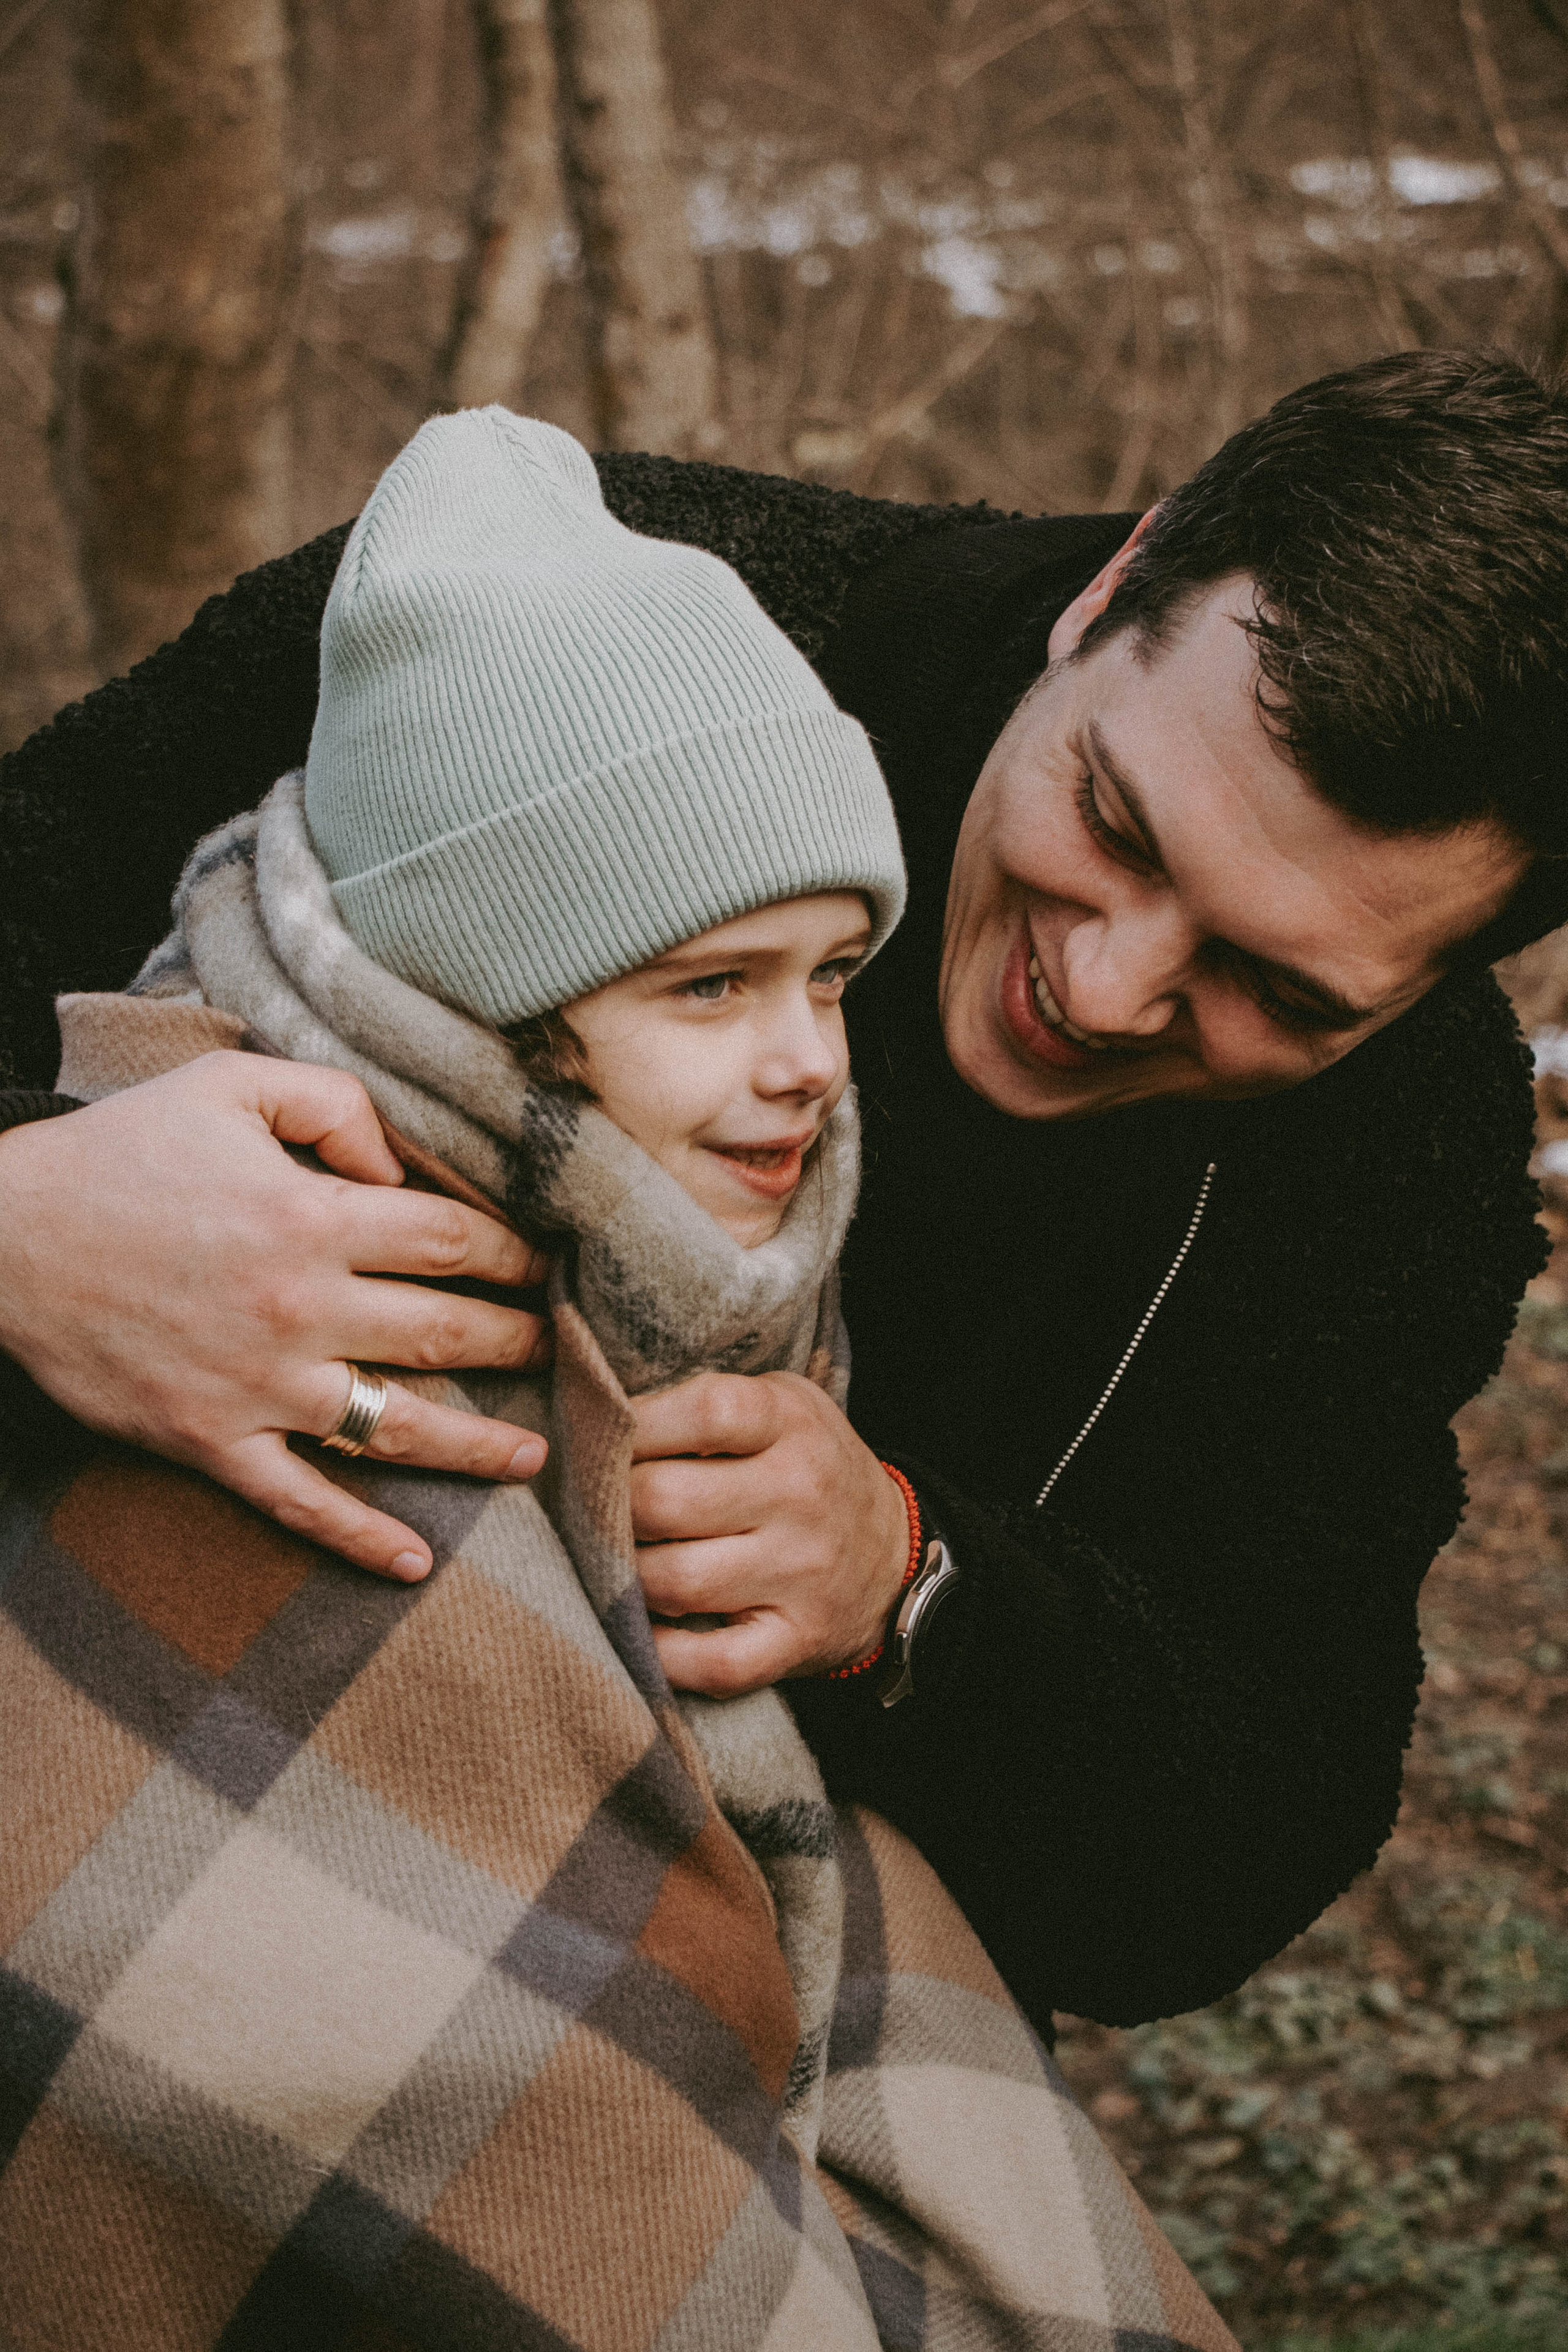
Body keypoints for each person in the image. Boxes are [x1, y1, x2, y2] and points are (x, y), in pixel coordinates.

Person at [0, 349, 1559, 2035]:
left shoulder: (1404, 1154)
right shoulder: (553, 623)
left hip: (659, 2006)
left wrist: (911, 1587)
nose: (1107, 992)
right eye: (1117, 820)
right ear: (1121, 580)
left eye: (1285, 987)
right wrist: (24, 1216)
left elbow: (1228, 1845)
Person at [0, 405, 1238, 2352]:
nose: (815, 1062)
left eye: (831, 975)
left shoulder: (707, 1293)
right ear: (497, 992)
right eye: (710, 986)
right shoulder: (226, 1216)